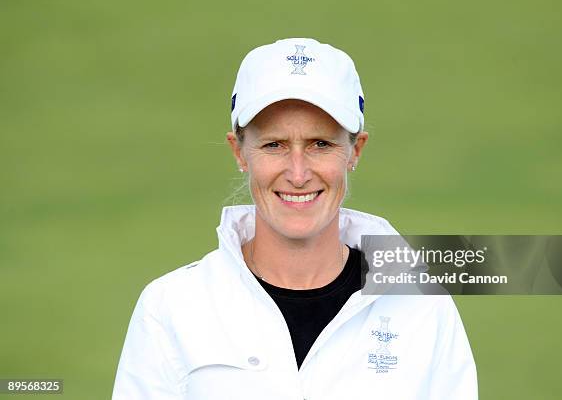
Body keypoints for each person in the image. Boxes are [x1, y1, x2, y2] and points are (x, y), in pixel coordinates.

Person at [112, 37, 477, 399]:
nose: (298, 173)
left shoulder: (424, 307)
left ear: (355, 150)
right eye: (274, 145)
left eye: (321, 144)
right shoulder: (170, 306)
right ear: (239, 152)